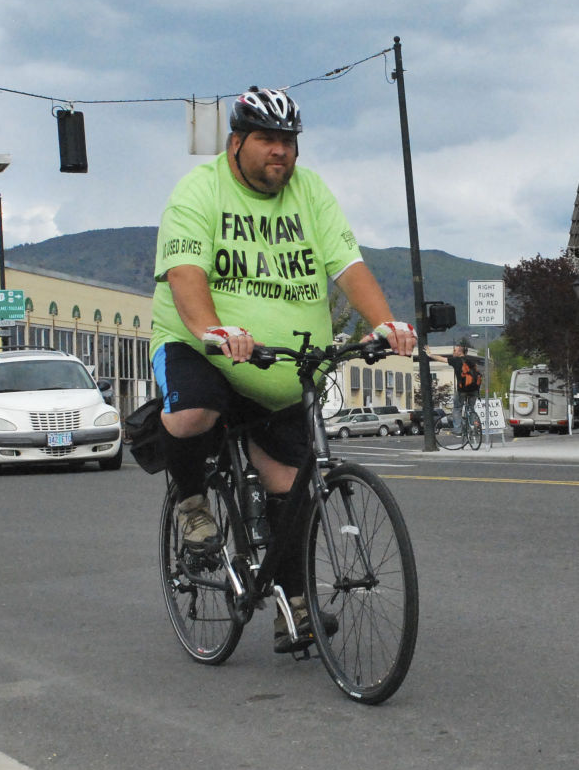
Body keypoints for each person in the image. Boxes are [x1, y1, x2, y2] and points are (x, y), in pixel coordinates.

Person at [150, 86, 416, 653]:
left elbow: (347, 264)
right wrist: (211, 332)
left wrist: (386, 324)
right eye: (268, 139)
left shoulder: (310, 191)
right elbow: (186, 274)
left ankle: (293, 606)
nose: (281, 152)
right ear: (237, 141)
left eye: (289, 141)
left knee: (291, 489)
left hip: (283, 366)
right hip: (202, 348)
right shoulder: (199, 190)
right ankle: (193, 503)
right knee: (196, 410)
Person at [426, 343, 481, 433]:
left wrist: (430, 355)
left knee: (457, 408)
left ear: (460, 352)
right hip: (474, 390)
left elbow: (442, 359)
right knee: (471, 408)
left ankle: (458, 430)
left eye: (454, 350)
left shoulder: (456, 360)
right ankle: (473, 428)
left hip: (462, 390)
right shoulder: (471, 361)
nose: (453, 352)